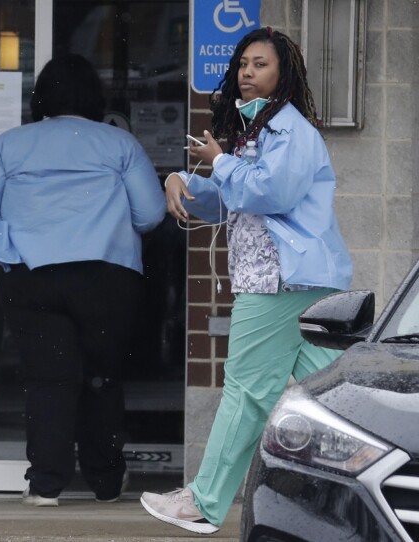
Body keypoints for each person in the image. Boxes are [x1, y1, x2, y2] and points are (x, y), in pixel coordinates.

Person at [139, 28, 353, 534]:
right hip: (286, 278)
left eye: (260, 65)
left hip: (276, 278)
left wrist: (221, 162)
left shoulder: (290, 131)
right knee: (342, 386)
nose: (248, 74)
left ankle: (205, 502)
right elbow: (231, 196)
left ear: (284, 75)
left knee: (245, 390)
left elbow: (270, 192)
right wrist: (183, 180)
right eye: (243, 66)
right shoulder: (258, 131)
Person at [0, 53, 166, 506]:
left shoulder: (10, 144)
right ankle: (105, 480)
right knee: (101, 377)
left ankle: (45, 485)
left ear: (41, 98)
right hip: (107, 275)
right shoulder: (120, 144)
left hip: (32, 275)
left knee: (47, 380)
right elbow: (152, 214)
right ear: (95, 97)